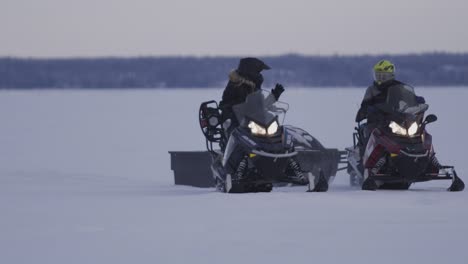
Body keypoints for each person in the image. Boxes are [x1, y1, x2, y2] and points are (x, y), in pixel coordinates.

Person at [219, 57, 285, 135]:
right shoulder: (236, 85)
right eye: (258, 71)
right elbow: (227, 105)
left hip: (252, 120)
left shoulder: (253, 85)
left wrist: (273, 96)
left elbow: (260, 105)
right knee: (235, 133)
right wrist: (240, 106)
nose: (260, 74)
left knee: (272, 124)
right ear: (251, 71)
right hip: (238, 121)